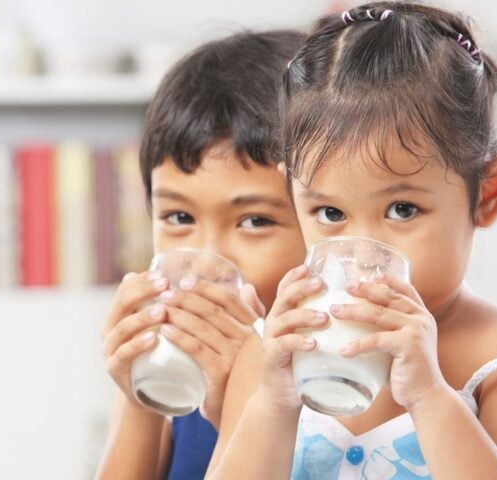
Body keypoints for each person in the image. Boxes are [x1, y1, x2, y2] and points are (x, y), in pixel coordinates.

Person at [206, 3, 497, 479]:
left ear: (489, 192)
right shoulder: (268, 352)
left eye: (402, 210)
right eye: (330, 213)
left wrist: (431, 398)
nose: (361, 251)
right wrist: (273, 403)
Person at [95, 30, 306, 480]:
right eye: (178, 217)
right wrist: (138, 402)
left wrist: (246, 394)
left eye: (254, 221)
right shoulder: (171, 370)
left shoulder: (335, 378)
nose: (205, 263)